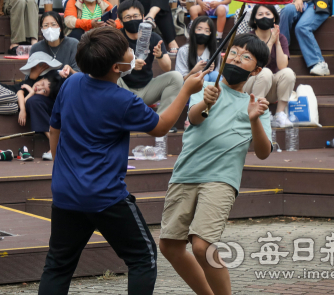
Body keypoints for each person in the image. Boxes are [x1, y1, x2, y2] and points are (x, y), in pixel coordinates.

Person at [37, 27, 209, 295]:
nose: (132, 51)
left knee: (58, 266)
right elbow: (162, 126)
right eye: (128, 49)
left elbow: (55, 126)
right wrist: (185, 90)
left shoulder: (72, 83)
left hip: (65, 192)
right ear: (117, 66)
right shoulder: (122, 100)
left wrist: (60, 166)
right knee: (143, 258)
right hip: (105, 196)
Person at [159, 34, 272, 295]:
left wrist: (254, 119)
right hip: (185, 173)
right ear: (223, 55)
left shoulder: (254, 103)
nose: (236, 58)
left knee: (202, 246)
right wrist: (206, 100)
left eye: (246, 57)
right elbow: (193, 118)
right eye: (234, 52)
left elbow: (264, 152)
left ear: (256, 70)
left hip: (221, 179)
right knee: (169, 246)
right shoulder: (206, 85)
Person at [117, 0, 183, 121]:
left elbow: (167, 67)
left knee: (176, 77)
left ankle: (162, 121)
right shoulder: (115, 38)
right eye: (128, 17)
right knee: (109, 78)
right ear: (121, 21)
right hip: (123, 89)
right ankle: (118, 118)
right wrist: (130, 65)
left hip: (147, 89)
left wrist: (159, 55)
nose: (132, 20)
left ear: (143, 17)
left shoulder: (153, 37)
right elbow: (107, 67)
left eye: (136, 16)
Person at [28, 11, 79, 160]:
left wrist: (70, 70)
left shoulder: (72, 44)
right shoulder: (36, 48)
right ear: (41, 29)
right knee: (33, 102)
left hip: (68, 92)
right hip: (45, 93)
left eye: (53, 24)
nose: (49, 28)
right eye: (45, 25)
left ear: (61, 27)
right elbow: (29, 78)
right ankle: (55, 144)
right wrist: (35, 73)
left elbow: (82, 76)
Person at [0, 53, 64, 126]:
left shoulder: (34, 94)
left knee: (14, 108)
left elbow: (21, 103)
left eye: (44, 91)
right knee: (15, 96)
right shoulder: (29, 83)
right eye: (42, 84)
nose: (39, 88)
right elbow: (20, 93)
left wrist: (31, 94)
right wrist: (24, 109)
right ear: (42, 78)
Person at [244, 4, 296, 128]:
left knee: (288, 73)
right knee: (265, 72)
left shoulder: (281, 38)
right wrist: (270, 42)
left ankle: (279, 114)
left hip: (270, 87)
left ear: (274, 19)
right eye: (260, 15)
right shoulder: (249, 39)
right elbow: (259, 64)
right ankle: (255, 112)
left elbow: (282, 66)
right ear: (255, 19)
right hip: (250, 86)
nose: (264, 17)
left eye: (268, 14)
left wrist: (277, 42)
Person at [175, 16, 219, 83]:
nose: (202, 33)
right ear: (193, 30)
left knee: (214, 74)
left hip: (209, 86)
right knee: (203, 76)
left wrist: (211, 69)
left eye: (207, 31)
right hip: (188, 86)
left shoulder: (215, 51)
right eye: (199, 29)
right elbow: (180, 81)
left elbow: (217, 74)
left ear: (211, 34)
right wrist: (194, 71)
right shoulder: (184, 51)